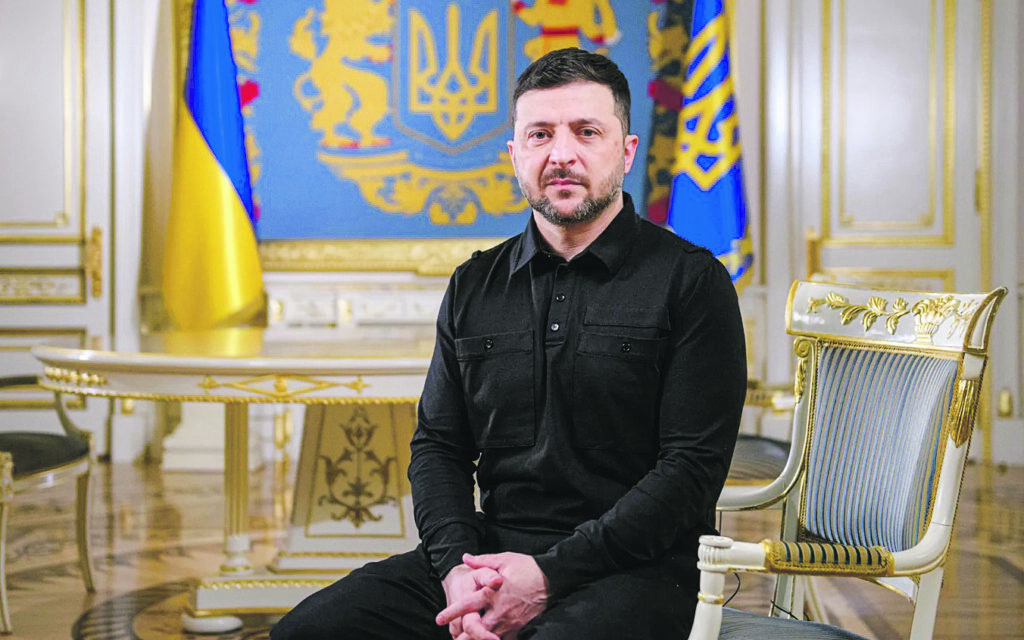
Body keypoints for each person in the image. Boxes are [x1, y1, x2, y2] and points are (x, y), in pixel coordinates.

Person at [270, 46, 746, 640]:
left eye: (586, 132)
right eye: (540, 134)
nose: (561, 154)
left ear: (626, 152)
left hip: (641, 568)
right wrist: (456, 572)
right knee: (307, 633)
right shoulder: (474, 283)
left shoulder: (692, 282)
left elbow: (690, 472)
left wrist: (548, 575)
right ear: (515, 155)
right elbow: (438, 447)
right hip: (488, 557)